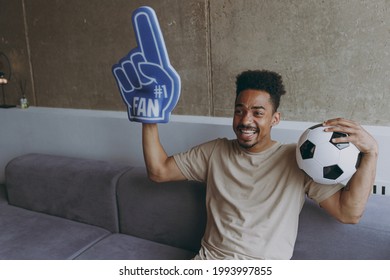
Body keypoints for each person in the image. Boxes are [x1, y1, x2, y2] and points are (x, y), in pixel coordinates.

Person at [141, 70, 378, 260]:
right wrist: (148, 119)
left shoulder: (299, 159)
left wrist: (371, 153)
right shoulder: (215, 151)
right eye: (239, 111)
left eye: (257, 113)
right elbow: (159, 171)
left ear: (275, 119)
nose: (246, 120)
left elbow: (349, 213)